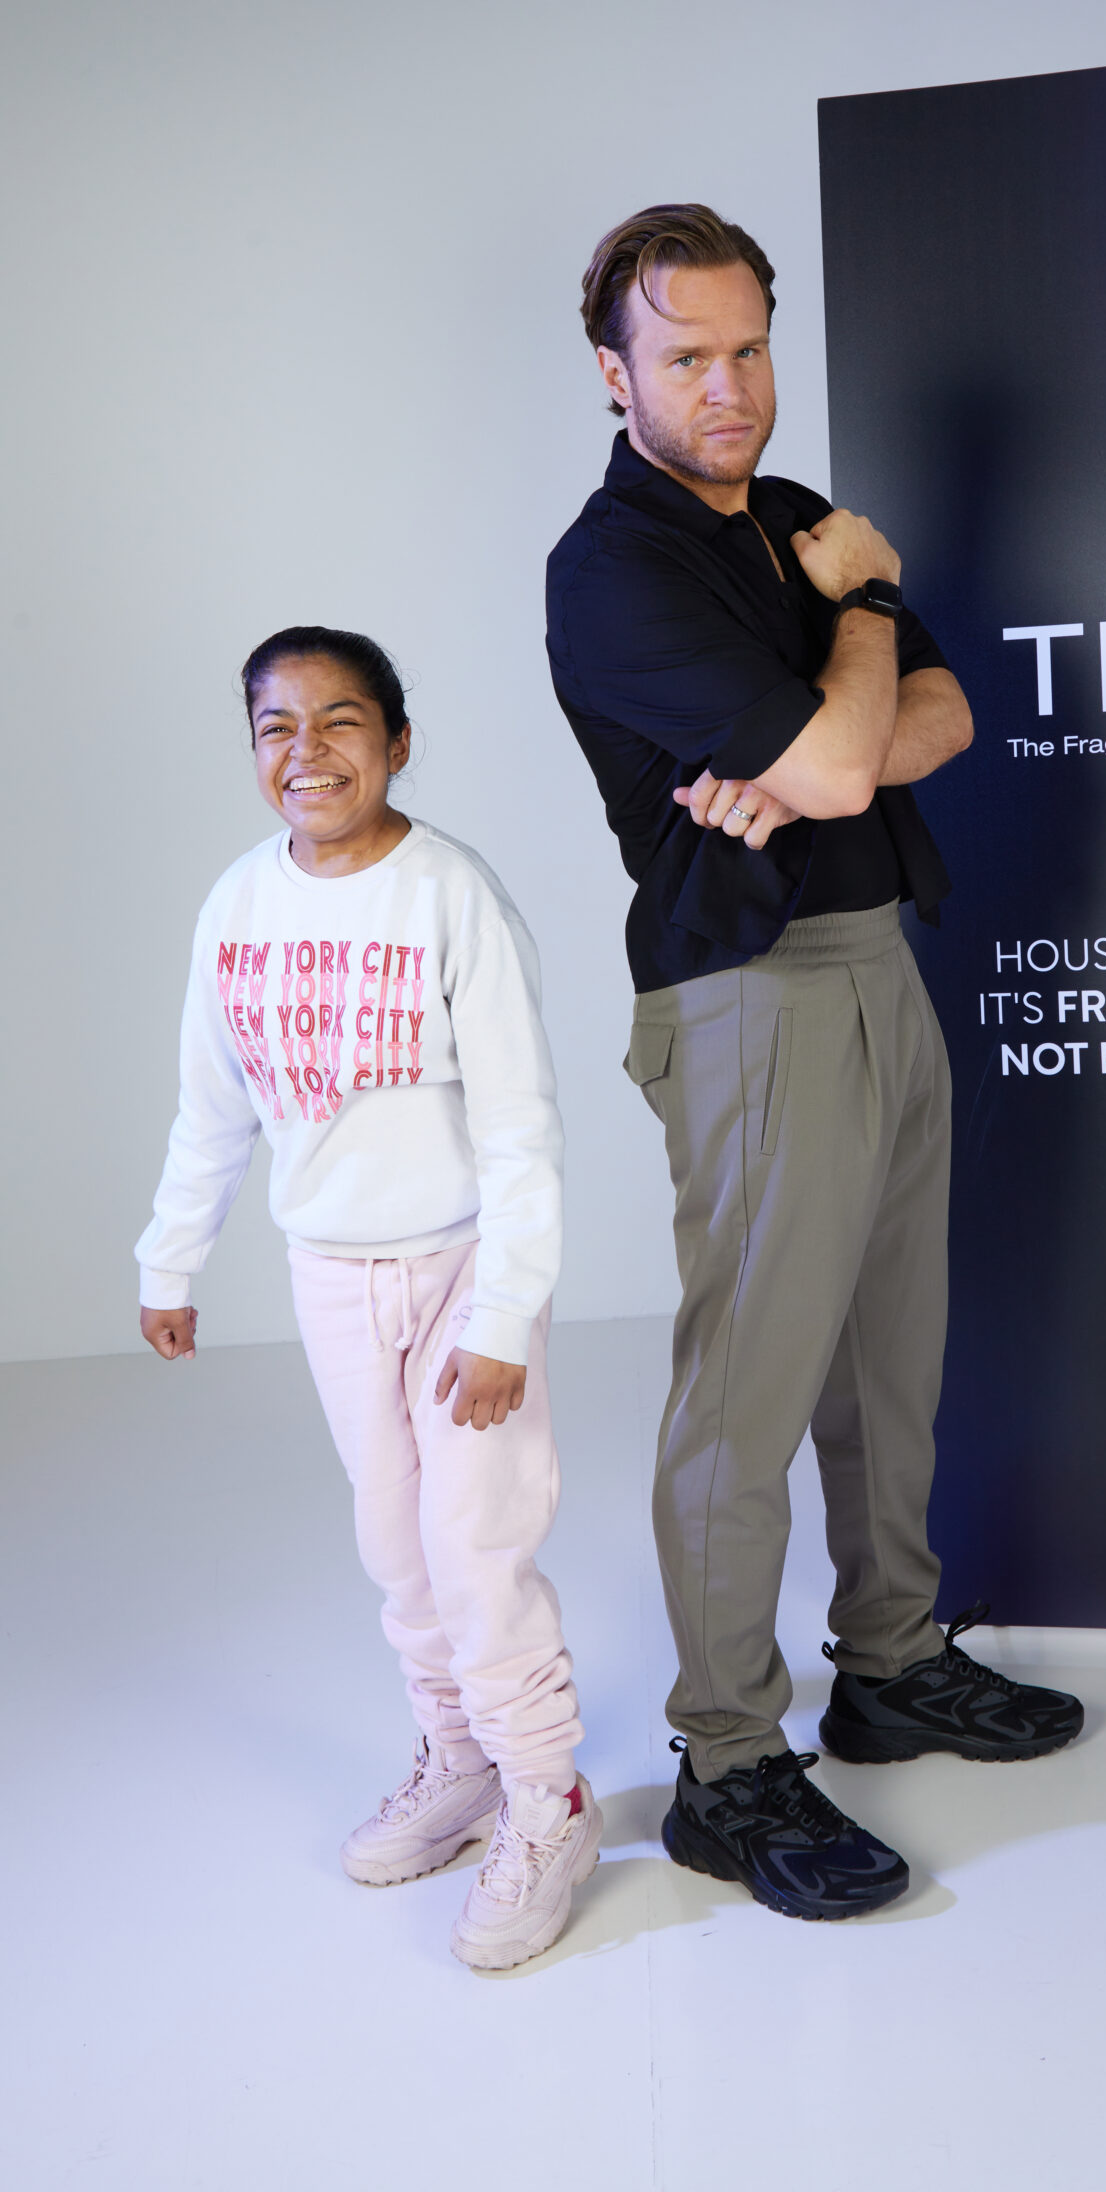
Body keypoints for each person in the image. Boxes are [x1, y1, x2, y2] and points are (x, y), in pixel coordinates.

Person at [546, 203, 1083, 1923]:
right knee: (749, 1389)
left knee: (887, 1358)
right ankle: (724, 1759)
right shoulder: (614, 568)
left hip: (877, 966)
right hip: (748, 994)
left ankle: (890, 1660)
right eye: (685, 356)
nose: (729, 386)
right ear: (615, 372)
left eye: (749, 347)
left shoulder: (785, 513)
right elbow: (864, 750)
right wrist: (861, 617)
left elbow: (939, 726)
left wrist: (826, 740)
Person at [136, 625, 597, 1972]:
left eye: (342, 722)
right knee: (398, 1550)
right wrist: (172, 1259)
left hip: (459, 1269)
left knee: (476, 1543)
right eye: (278, 727)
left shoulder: (451, 897)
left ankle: (547, 1795)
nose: (309, 751)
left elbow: (522, 1127)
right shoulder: (238, 905)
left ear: (398, 742)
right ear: (255, 755)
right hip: (329, 1274)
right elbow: (210, 1108)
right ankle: (458, 1762)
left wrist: (504, 1316)